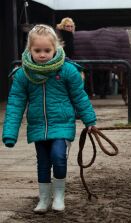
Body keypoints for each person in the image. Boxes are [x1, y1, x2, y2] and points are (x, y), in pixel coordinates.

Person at [2, 24, 97, 214]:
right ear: (29, 49)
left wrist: (90, 121)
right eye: (37, 50)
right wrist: (10, 133)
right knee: (43, 162)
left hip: (62, 123)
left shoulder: (67, 70)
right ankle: (44, 199)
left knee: (58, 157)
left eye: (47, 50)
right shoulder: (24, 74)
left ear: (56, 48)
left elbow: (79, 96)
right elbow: (15, 103)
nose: (42, 54)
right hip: (38, 126)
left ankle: (59, 195)